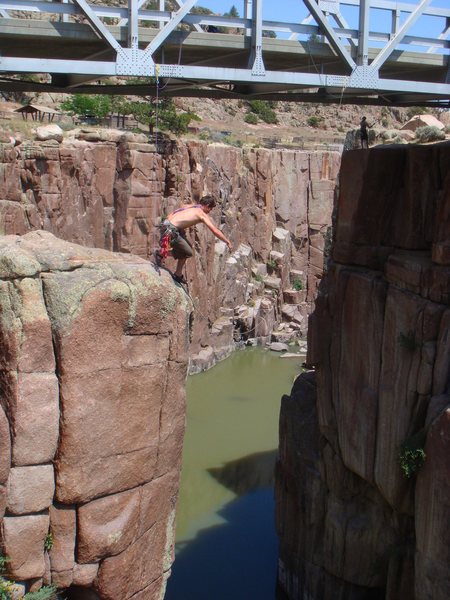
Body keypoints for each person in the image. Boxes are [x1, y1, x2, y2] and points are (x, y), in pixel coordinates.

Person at [156, 195, 232, 284]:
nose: (209, 211)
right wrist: (227, 241)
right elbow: (214, 230)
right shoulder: (201, 214)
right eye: (210, 209)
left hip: (165, 225)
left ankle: (178, 274)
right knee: (188, 252)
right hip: (171, 231)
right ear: (207, 205)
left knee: (187, 247)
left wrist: (180, 227)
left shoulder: (192, 206)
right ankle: (161, 253)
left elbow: (180, 210)